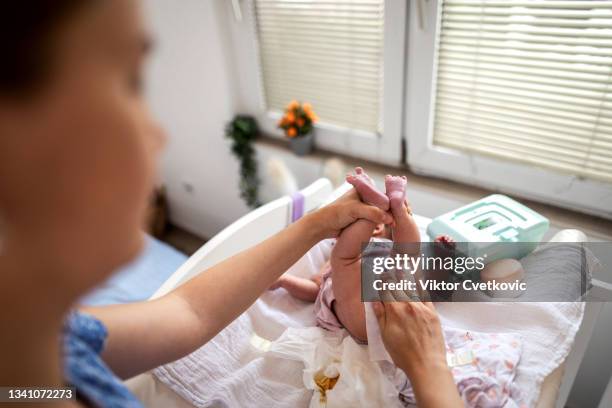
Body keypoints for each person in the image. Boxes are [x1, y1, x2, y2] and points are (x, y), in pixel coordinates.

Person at [0, 1, 461, 407]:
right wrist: (431, 371)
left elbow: (190, 314)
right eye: (128, 83)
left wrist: (318, 224)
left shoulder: (44, 361)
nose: (157, 135)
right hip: (358, 308)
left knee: (411, 257)